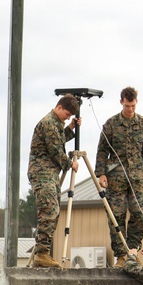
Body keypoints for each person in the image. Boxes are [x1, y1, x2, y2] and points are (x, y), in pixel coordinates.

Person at [95, 87, 143, 267]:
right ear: (121, 102)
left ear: (136, 102)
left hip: (137, 177)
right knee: (116, 215)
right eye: (127, 106)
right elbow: (102, 150)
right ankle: (121, 254)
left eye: (133, 106)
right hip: (116, 177)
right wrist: (101, 173)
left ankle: (132, 252)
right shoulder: (111, 124)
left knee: (140, 212)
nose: (130, 109)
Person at [27, 94, 80, 268]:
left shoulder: (55, 123)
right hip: (42, 172)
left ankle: (43, 252)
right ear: (59, 107)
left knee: (54, 212)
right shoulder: (49, 123)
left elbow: (58, 139)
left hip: (49, 173)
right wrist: (70, 164)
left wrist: (70, 128)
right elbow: (56, 149)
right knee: (49, 210)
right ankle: (42, 254)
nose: (68, 118)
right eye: (67, 114)